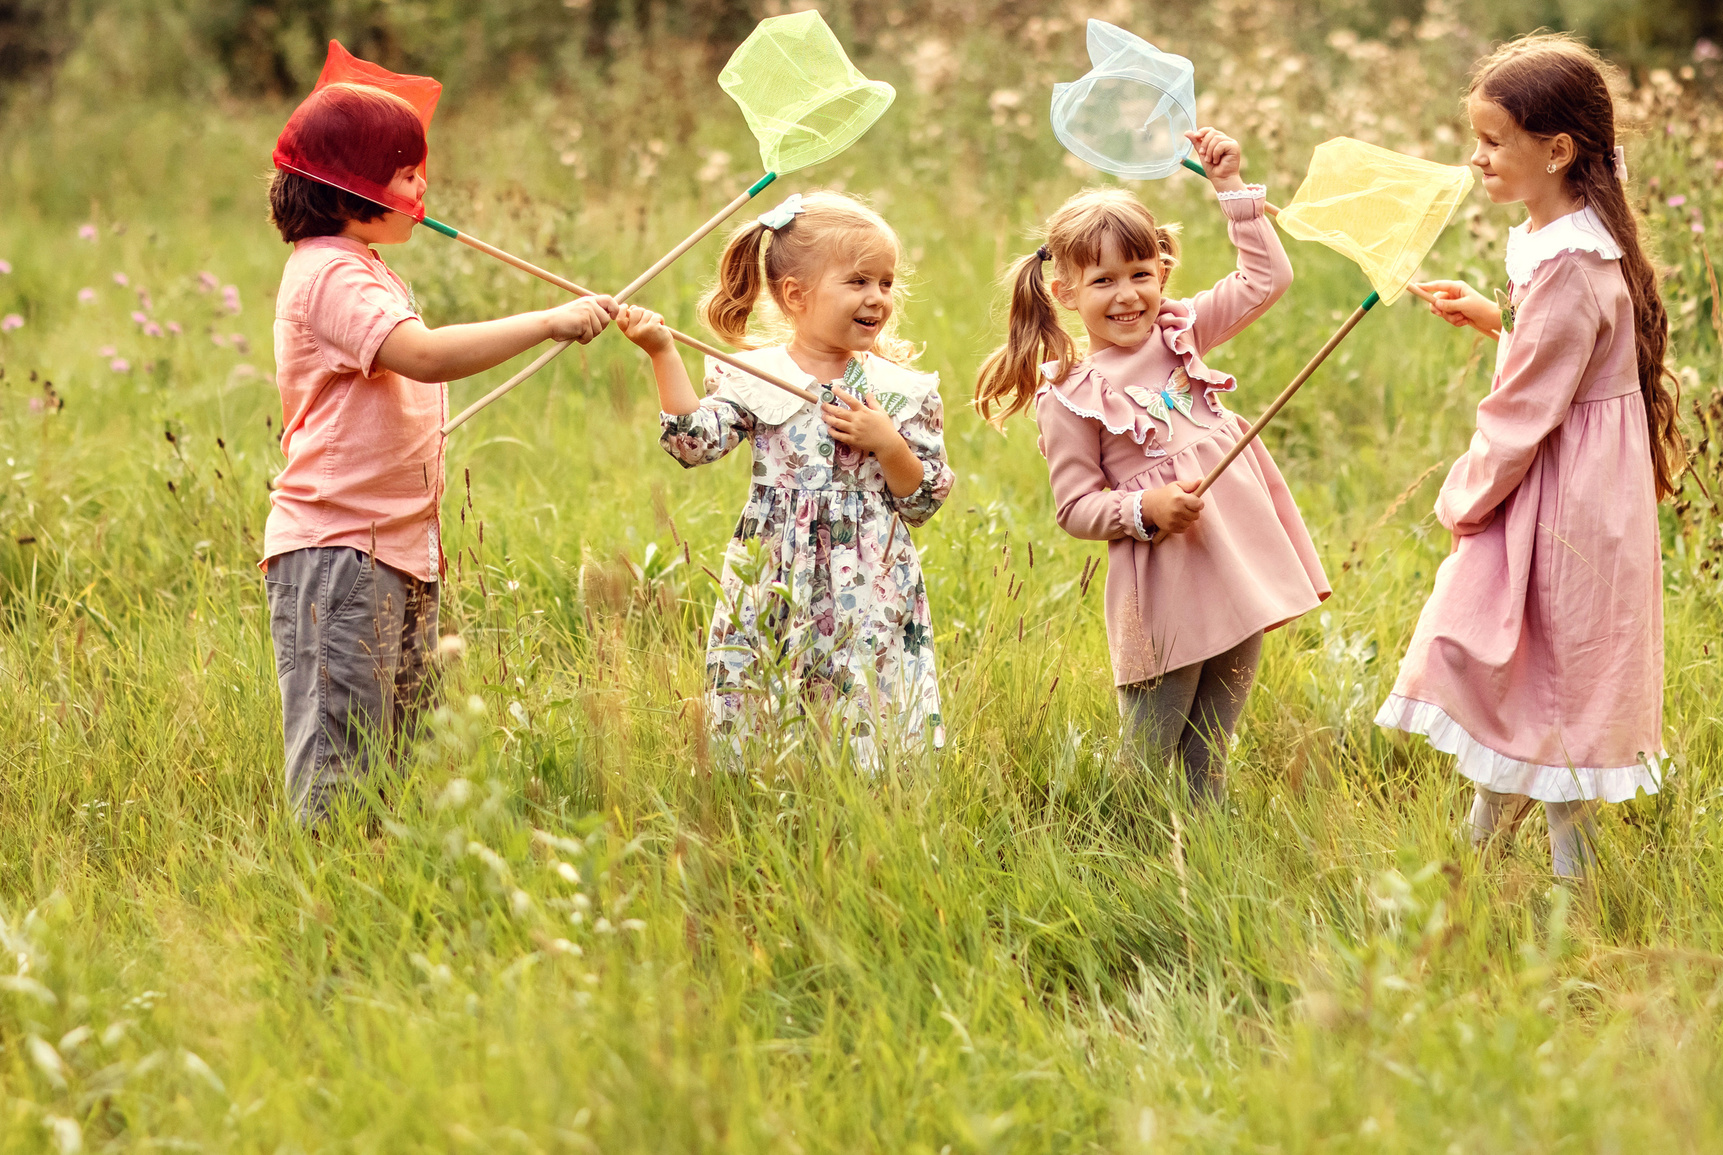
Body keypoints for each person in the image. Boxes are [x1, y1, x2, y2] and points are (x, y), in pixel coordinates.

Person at [262, 77, 615, 825]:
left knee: (399, 752)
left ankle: (384, 890)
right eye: (404, 168)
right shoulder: (328, 273)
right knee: (341, 759)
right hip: (339, 552)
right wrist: (546, 322)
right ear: (349, 183)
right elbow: (419, 355)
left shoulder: (362, 267)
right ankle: (332, 902)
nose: (423, 182)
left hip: (393, 549)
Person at [1380, 34, 1684, 878]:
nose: (1475, 158)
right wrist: (1494, 319)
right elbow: (1562, 363)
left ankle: (1570, 887)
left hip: (1563, 497)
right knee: (1525, 658)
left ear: (1557, 150)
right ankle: (1480, 857)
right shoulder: (1567, 242)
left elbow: (1521, 414)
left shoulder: (1569, 266)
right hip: (1576, 481)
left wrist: (1464, 498)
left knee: (1543, 668)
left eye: (1491, 141)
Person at [975, 130, 1329, 801]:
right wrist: (1145, 509)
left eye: (1140, 273)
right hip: (1167, 577)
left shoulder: (1183, 329)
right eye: (1103, 280)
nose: (1127, 294)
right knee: (1146, 755)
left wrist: (1232, 191)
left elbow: (1267, 279)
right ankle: (1123, 854)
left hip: (1238, 556)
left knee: (1210, 755)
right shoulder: (1072, 392)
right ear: (1065, 291)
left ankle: (1206, 856)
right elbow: (1075, 507)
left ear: (1162, 271)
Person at [616, 190, 954, 769]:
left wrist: (887, 441)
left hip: (869, 579)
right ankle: (772, 790)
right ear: (796, 295)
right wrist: (661, 353)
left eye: (886, 282)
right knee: (771, 684)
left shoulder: (899, 391)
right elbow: (694, 443)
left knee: (865, 691)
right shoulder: (756, 375)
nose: (878, 298)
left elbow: (923, 500)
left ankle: (869, 799)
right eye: (858, 282)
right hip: (775, 571)